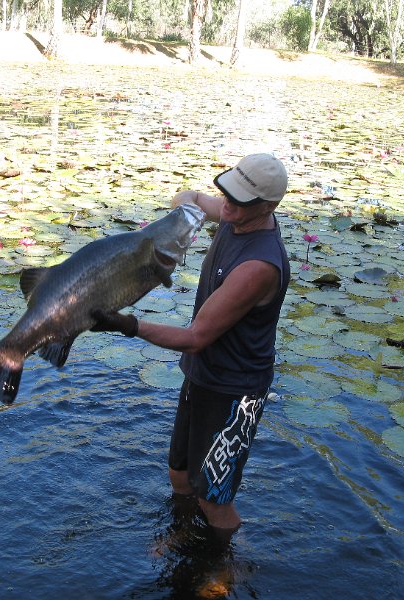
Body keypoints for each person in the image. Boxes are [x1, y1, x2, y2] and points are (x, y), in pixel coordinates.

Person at [92, 153, 290, 541]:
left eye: (239, 200)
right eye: (227, 192)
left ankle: (220, 567)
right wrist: (179, 219)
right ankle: (182, 532)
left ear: (267, 207)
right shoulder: (237, 213)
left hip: (234, 390)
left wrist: (127, 324)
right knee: (180, 475)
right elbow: (191, 197)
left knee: (214, 497)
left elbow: (196, 336)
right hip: (201, 373)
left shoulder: (258, 266)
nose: (227, 204)